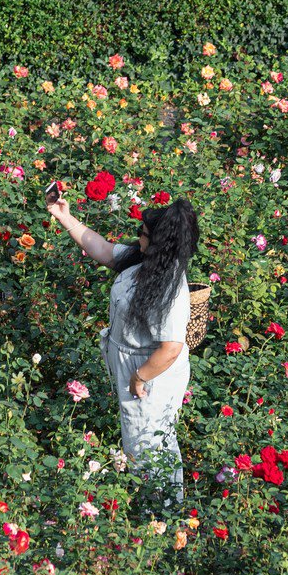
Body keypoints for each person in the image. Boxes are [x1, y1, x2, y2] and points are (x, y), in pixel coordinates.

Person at [45, 183, 199, 505]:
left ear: (158, 243)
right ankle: (164, 508)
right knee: (147, 440)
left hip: (151, 374)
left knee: (145, 444)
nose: (138, 236)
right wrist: (65, 216)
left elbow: (171, 347)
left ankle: (161, 514)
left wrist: (139, 376)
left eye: (143, 233)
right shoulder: (143, 263)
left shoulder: (170, 287)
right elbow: (100, 248)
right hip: (135, 366)